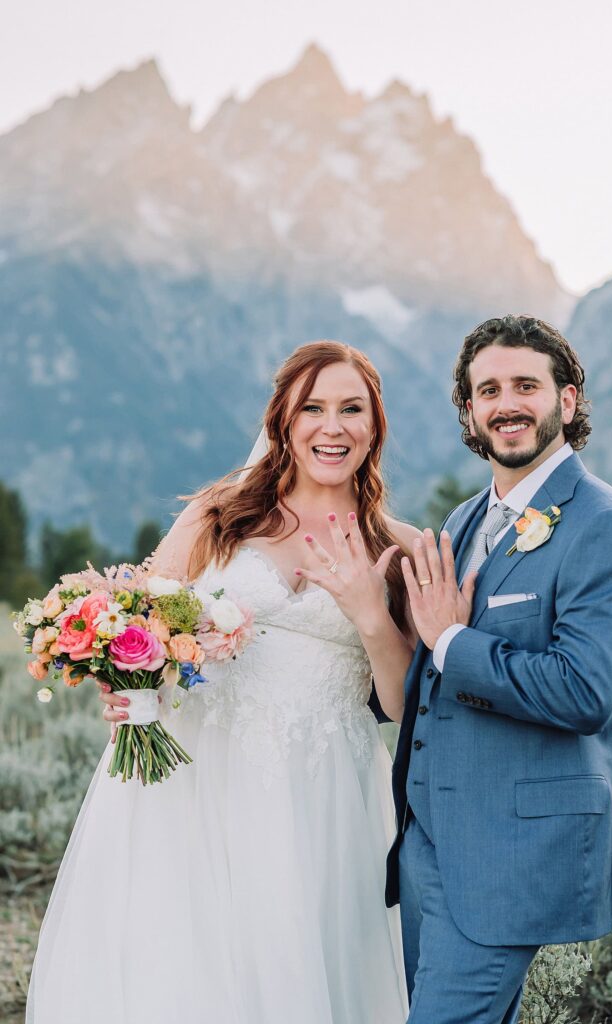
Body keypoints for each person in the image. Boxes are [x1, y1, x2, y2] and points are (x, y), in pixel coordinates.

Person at [27, 341, 419, 1024]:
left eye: (352, 409)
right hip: (199, 776)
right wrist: (120, 684)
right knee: (189, 962)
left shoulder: (399, 547)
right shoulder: (219, 515)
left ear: (375, 424)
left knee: (306, 959)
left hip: (326, 789)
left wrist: (370, 617)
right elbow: (138, 623)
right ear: (283, 423)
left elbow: (401, 703)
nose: (333, 427)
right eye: (313, 408)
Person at [387, 315, 612, 1024]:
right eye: (489, 389)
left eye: (526, 385)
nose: (507, 403)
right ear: (470, 410)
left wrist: (449, 642)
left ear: (566, 401)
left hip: (510, 853)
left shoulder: (605, 524)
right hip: (428, 846)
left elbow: (583, 689)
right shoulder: (461, 523)